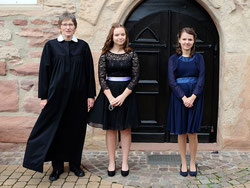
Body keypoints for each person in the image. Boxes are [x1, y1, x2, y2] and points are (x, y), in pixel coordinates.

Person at [23, 11, 96, 181]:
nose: (68, 27)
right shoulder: (51, 46)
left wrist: (90, 95)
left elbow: (89, 73)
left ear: (75, 27)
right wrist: (44, 97)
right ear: (59, 27)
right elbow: (45, 72)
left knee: (76, 131)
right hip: (56, 97)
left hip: (78, 97)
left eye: (71, 24)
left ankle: (75, 165)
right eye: (65, 24)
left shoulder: (83, 46)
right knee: (57, 131)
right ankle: (57, 167)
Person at [88, 23, 140, 177]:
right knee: (110, 129)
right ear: (112, 36)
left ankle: (124, 162)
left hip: (127, 95)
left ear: (126, 36)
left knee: (125, 129)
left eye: (122, 34)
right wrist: (110, 98)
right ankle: (112, 161)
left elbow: (135, 77)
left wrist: (123, 96)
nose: (120, 37)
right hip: (108, 95)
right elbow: (101, 78)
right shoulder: (105, 55)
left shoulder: (132, 54)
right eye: (117, 35)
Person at [167, 27, 205, 177]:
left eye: (190, 39)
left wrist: (193, 97)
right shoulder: (173, 59)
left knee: (193, 132)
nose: (187, 42)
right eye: (184, 39)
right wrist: (183, 98)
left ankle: (192, 161)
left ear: (194, 40)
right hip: (179, 98)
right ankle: (183, 161)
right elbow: (171, 81)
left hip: (195, 97)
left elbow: (202, 79)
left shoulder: (199, 58)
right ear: (179, 40)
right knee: (181, 132)